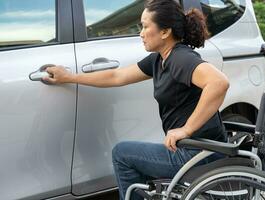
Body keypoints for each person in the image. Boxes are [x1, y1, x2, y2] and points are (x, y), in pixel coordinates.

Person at [43, 0, 230, 199]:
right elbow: (118, 76)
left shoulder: (179, 58)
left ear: (165, 32)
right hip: (194, 149)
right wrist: (69, 77)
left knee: (122, 154)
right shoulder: (160, 58)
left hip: (198, 153)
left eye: (145, 26)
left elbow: (218, 83)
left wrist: (187, 129)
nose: (140, 33)